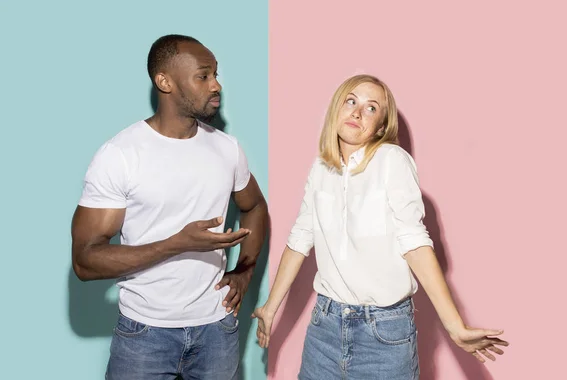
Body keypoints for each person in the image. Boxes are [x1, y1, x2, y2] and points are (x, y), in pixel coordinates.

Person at [252, 74, 508, 379]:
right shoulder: (321, 168)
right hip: (325, 327)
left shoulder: (392, 161)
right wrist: (269, 308)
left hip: (384, 335)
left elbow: (414, 241)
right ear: (337, 108)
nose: (358, 112)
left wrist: (455, 325)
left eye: (371, 108)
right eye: (351, 101)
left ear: (381, 127)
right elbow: (300, 238)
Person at [71, 34, 268, 380]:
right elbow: (85, 261)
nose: (216, 85)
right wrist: (176, 244)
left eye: (216, 74)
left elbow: (255, 208)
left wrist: (244, 271)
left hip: (216, 331)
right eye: (203, 76)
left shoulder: (227, 149)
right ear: (164, 82)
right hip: (145, 335)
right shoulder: (121, 155)